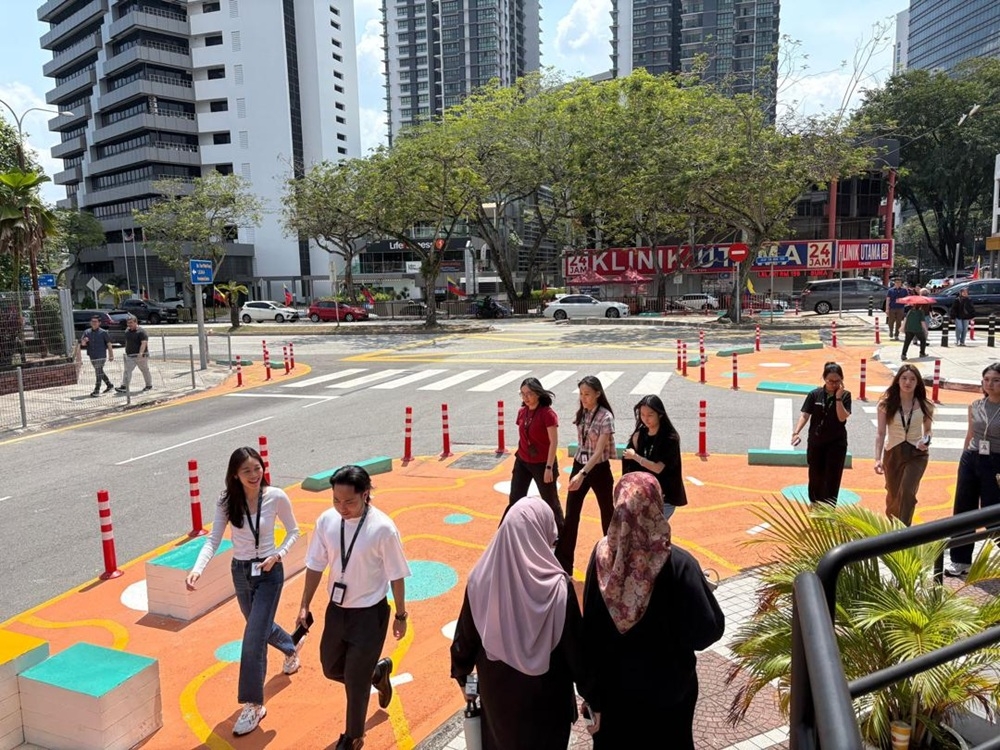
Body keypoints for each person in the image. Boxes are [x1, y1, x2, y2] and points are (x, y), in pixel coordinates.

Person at [581, 473, 724, 749]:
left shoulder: (600, 558)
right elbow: (708, 631)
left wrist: (590, 694)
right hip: (668, 697)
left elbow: (588, 631)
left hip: (613, 697)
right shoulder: (679, 563)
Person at [451, 497, 587, 749]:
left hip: (498, 700)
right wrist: (592, 698)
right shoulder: (558, 588)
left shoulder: (480, 580)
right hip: (547, 702)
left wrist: (464, 679)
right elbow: (576, 653)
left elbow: (464, 641)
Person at [185, 447, 302, 737]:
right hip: (240, 573)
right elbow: (213, 539)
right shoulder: (227, 501)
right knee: (258, 627)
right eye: (246, 470)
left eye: (257, 468)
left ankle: (253, 704)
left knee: (252, 639)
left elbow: (293, 531)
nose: (254, 474)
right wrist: (198, 568)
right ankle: (291, 647)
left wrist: (278, 554)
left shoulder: (276, 496)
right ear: (235, 475)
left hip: (269, 572)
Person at [297, 465, 411, 750]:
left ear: (365, 494)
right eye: (336, 500)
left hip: (370, 615)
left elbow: (396, 575)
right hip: (336, 610)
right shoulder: (327, 521)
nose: (342, 507)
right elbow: (315, 565)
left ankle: (353, 737)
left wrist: (400, 615)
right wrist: (304, 605)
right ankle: (377, 674)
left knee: (355, 682)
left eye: (349, 501)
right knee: (330, 667)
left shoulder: (383, 528)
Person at [555, 375, 615, 575]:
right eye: (581, 394)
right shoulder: (583, 412)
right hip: (579, 464)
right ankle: (564, 565)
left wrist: (581, 474)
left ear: (598, 393)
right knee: (571, 514)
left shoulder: (606, 417)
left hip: (598, 469)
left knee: (607, 514)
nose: (583, 398)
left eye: (587, 394)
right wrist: (579, 470)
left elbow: (598, 452)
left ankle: (613, 560)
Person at [946, 363, 1000, 576]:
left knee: (992, 510)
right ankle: (960, 560)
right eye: (986, 380)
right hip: (971, 458)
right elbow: (970, 434)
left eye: (996, 380)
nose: (990, 384)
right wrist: (964, 457)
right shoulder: (976, 405)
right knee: (963, 508)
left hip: (996, 461)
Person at [874, 365, 934, 526]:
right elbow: (880, 433)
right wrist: (877, 459)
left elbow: (928, 430)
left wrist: (926, 440)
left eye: (912, 379)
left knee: (907, 492)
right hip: (893, 451)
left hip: (917, 453)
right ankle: (893, 527)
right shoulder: (885, 404)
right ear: (898, 380)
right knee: (893, 494)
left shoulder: (925, 404)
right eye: (904, 378)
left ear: (918, 382)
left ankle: (904, 530)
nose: (908, 382)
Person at [505, 378, 563, 529]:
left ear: (538, 393)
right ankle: (506, 532)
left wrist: (549, 467)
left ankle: (561, 536)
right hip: (523, 461)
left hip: (543, 464)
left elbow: (553, 442)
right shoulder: (522, 412)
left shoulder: (547, 414)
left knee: (551, 503)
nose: (525, 397)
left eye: (529, 393)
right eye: (522, 394)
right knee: (515, 499)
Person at [791, 362, 852, 504]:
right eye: (830, 381)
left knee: (832, 477)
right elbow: (805, 414)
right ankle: (814, 504)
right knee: (815, 476)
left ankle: (829, 507)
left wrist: (838, 398)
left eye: (837, 381)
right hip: (816, 442)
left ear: (842, 380)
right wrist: (796, 432)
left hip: (836, 443)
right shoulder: (815, 394)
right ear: (824, 379)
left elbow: (842, 417)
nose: (833, 384)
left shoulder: (845, 396)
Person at [621, 394, 687, 519]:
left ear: (660, 414)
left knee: (653, 527)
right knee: (645, 528)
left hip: (664, 496)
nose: (646, 419)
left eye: (650, 415)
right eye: (642, 415)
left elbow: (658, 468)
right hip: (644, 494)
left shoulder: (669, 438)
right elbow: (628, 461)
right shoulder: (640, 435)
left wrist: (636, 457)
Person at [115, 315, 153, 394]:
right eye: (128, 323)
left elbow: (144, 343)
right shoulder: (127, 331)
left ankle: (149, 385)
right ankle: (124, 386)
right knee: (127, 371)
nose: (129, 324)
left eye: (131, 323)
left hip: (141, 356)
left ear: (136, 322)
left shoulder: (141, 332)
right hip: (130, 356)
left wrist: (140, 354)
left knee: (144, 370)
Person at [80, 315, 114, 397]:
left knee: (98, 371)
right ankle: (109, 384)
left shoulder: (103, 332)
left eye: (95, 322)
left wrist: (111, 355)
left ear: (99, 323)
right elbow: (83, 344)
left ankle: (97, 389)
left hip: (101, 355)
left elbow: (109, 344)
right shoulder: (87, 332)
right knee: (99, 371)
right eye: (92, 321)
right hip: (92, 355)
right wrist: (84, 341)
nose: (94, 323)